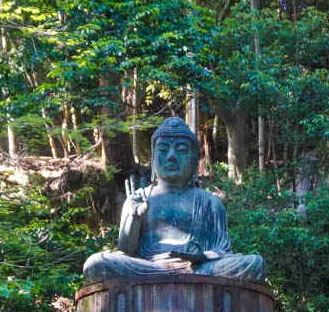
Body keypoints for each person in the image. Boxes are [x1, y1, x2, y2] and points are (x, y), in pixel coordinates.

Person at [82, 117, 265, 283]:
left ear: (194, 161)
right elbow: (125, 253)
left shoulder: (209, 202)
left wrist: (202, 256)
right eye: (163, 150)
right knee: (97, 264)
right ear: (154, 158)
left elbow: (222, 251)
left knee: (254, 264)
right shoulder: (139, 198)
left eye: (181, 150)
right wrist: (133, 219)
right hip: (149, 268)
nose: (171, 156)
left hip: (198, 269)